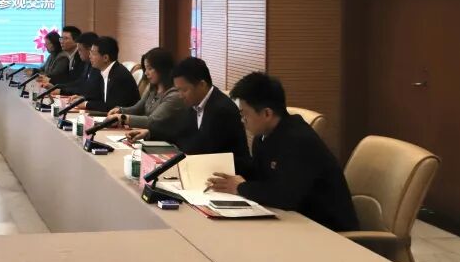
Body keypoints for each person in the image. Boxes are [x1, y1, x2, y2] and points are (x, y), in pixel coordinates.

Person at [206, 72, 358, 233]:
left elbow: (285, 196)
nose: (242, 120)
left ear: (267, 113)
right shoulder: (263, 136)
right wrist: (223, 167)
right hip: (294, 222)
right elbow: (259, 173)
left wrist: (241, 187)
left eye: (244, 114)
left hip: (327, 230)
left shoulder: (299, 141)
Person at [171, 57, 249, 172]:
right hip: (201, 168)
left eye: (184, 90)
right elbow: (182, 137)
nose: (180, 95)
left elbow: (207, 150)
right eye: (178, 90)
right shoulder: (193, 104)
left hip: (225, 173)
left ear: (202, 84)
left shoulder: (222, 110)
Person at [112, 47, 188, 141]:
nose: (146, 73)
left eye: (150, 68)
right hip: (151, 137)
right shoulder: (152, 87)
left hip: (167, 142)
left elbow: (152, 121)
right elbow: (137, 108)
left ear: (162, 68)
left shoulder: (174, 94)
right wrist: (119, 110)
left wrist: (122, 118)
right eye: (145, 68)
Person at [84, 36, 140, 113]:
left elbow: (112, 107)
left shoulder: (119, 76)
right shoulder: (105, 71)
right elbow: (98, 98)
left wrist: (86, 104)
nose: (90, 56)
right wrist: (82, 99)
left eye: (93, 53)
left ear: (105, 58)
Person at [59, 31, 99, 98]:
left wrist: (61, 91)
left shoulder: (98, 66)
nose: (78, 52)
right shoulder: (88, 63)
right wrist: (58, 87)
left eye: (80, 50)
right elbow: (81, 81)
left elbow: (87, 89)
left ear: (90, 49)